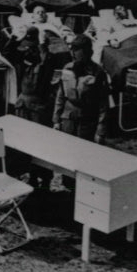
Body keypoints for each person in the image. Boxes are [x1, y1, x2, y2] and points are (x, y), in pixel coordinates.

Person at [53, 35, 111, 187]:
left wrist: (100, 130)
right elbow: (61, 96)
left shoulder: (98, 72)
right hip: (68, 118)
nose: (73, 53)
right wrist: (56, 120)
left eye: (77, 50)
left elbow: (103, 103)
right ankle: (67, 188)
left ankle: (82, 191)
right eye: (72, 49)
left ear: (88, 52)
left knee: (84, 158)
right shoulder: (67, 68)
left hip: (87, 120)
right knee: (67, 156)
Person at [10, 26, 55, 189]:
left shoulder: (44, 61)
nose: (27, 50)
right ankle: (27, 174)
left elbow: (45, 64)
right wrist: (15, 39)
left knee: (41, 144)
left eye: (31, 46)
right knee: (22, 142)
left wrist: (43, 46)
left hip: (38, 108)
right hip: (23, 106)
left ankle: (43, 178)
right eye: (26, 46)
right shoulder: (23, 58)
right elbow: (8, 53)